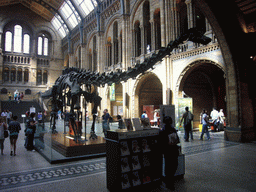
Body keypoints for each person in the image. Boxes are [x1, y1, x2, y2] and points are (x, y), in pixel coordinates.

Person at [159, 116, 179, 190]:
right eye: (168, 121)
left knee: (173, 165)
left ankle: (169, 180)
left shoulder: (172, 129)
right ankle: (169, 182)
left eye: (170, 121)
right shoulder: (163, 130)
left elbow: (177, 138)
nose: (169, 122)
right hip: (168, 150)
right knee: (169, 166)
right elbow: (162, 142)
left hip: (173, 150)